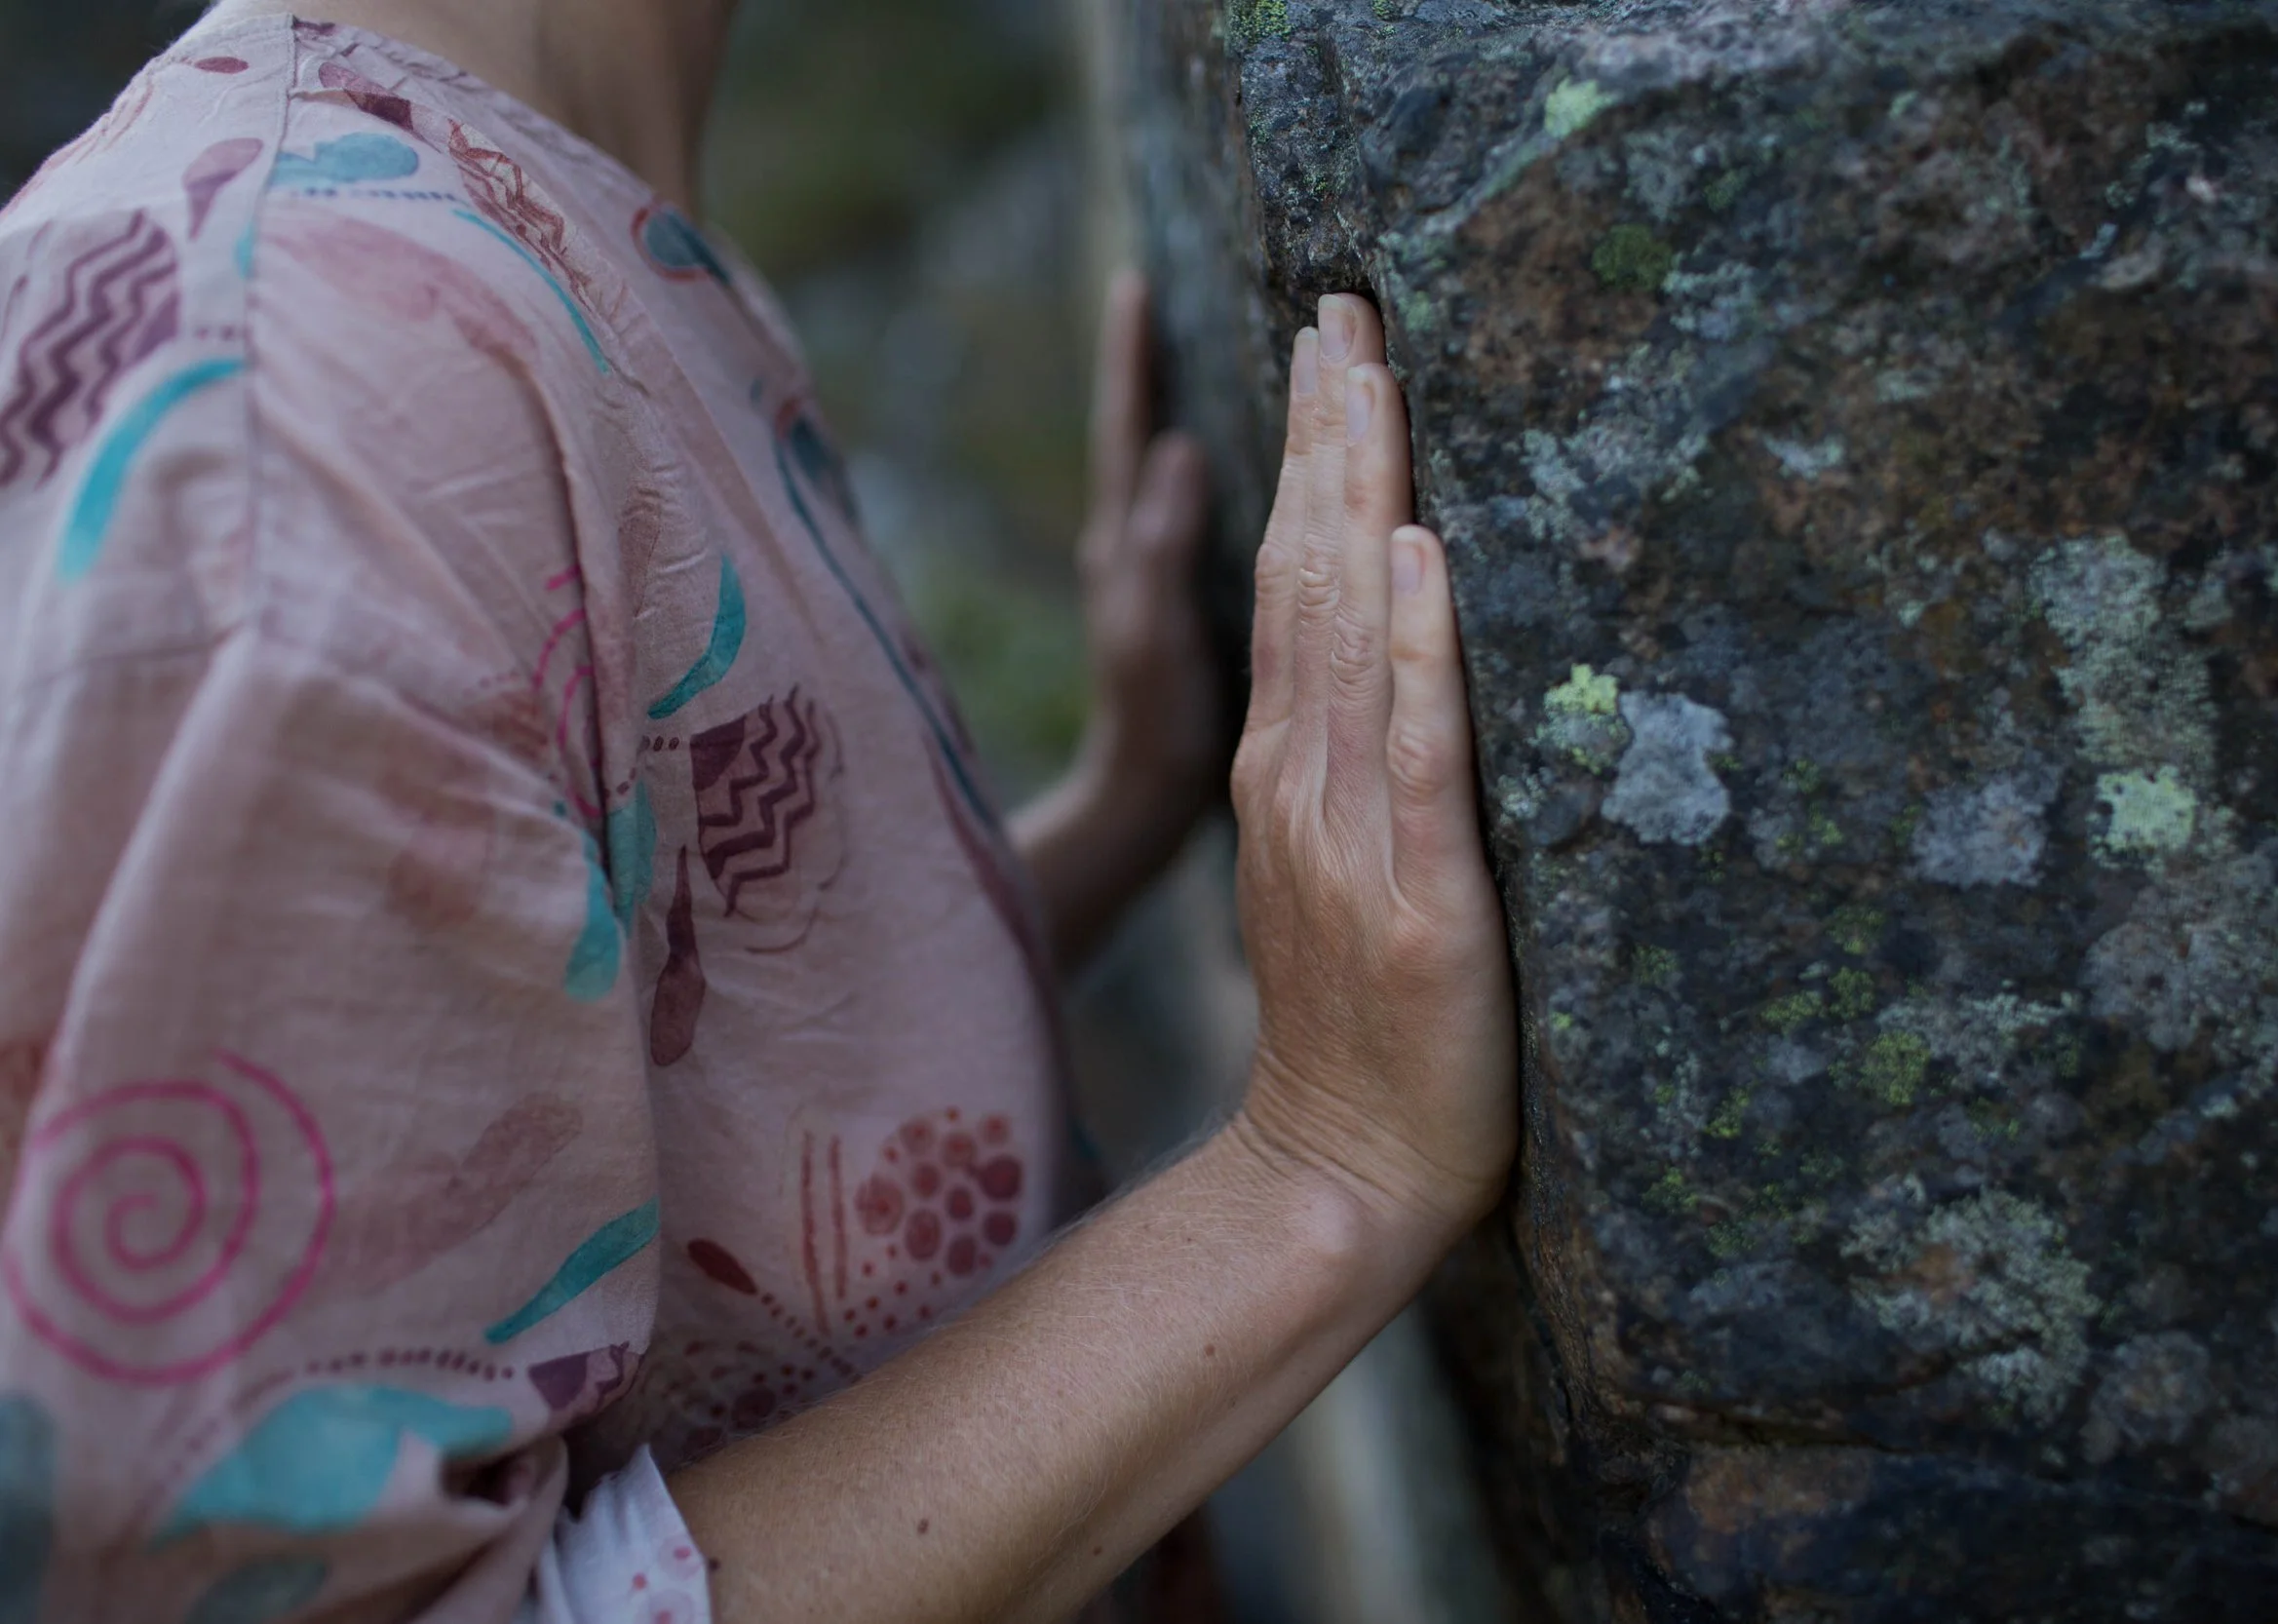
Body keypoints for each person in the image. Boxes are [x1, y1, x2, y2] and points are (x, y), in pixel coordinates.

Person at [0, 0, 1516, 1617]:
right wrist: (1314, 1176)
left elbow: (539, 1088)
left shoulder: (470, 214)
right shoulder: (299, 417)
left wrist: (1111, 823)